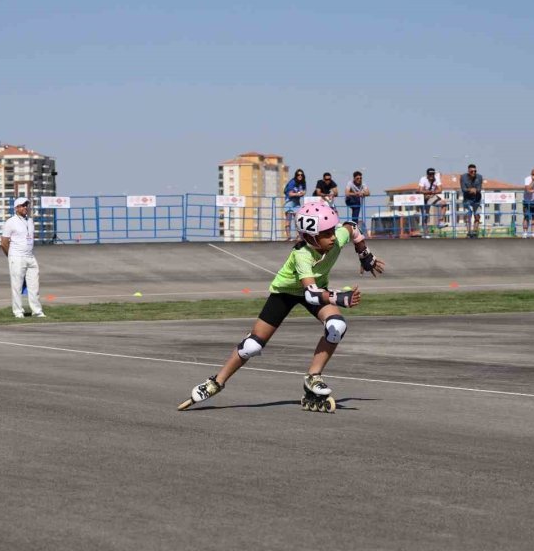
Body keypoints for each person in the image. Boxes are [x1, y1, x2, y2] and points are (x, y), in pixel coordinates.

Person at [178, 202, 385, 412]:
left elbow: (352, 227)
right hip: (286, 293)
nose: (333, 236)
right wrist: (339, 298)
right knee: (253, 346)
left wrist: (365, 255)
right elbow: (311, 295)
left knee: (337, 326)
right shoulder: (302, 255)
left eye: (332, 230)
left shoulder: (336, 238)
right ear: (311, 237)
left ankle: (313, 378)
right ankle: (215, 382)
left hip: (316, 288)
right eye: (326, 233)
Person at [0, 197, 45, 318]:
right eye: (23, 205)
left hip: (30, 257)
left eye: (27, 205)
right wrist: (10, 256)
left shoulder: (30, 220)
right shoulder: (11, 222)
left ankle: (37, 311)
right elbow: (4, 242)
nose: (26, 207)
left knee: (34, 286)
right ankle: (18, 312)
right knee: (17, 286)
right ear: (16, 208)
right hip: (17, 257)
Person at [417, 167, 445, 237]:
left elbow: (440, 189)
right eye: (430, 175)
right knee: (425, 216)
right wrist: (428, 192)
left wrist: (432, 193)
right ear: (427, 175)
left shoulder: (436, 178)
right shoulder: (423, 179)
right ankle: (426, 234)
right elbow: (420, 190)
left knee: (443, 203)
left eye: (433, 174)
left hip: (431, 197)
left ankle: (440, 222)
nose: (431, 176)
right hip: (423, 198)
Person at [459, 164, 483, 238]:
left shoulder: (479, 177)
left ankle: (475, 232)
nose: (473, 173)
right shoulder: (463, 177)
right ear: (468, 171)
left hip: (477, 199)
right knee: (468, 216)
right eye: (472, 171)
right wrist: (471, 189)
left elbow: (478, 189)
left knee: (477, 216)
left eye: (475, 171)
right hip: (467, 199)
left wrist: (473, 190)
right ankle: (469, 233)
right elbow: (463, 189)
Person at [283, 169, 306, 239]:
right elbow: (290, 194)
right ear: (296, 175)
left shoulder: (303, 183)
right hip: (289, 202)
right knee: (288, 220)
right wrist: (298, 194)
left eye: (301, 175)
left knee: (298, 220)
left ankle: (298, 236)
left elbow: (303, 191)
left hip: (296, 203)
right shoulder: (292, 182)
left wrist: (302, 193)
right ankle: (288, 236)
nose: (300, 176)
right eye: (298, 175)